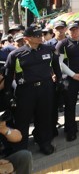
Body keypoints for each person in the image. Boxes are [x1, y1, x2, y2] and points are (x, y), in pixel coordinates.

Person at [4, 26, 62, 155]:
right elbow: (9, 75)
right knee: (22, 120)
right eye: (36, 36)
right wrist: (8, 93)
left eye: (40, 34)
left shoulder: (49, 49)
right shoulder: (16, 55)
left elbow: (56, 65)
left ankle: (45, 143)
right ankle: (21, 149)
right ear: (27, 39)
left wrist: (59, 80)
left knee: (44, 117)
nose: (40, 37)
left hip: (45, 88)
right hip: (26, 91)